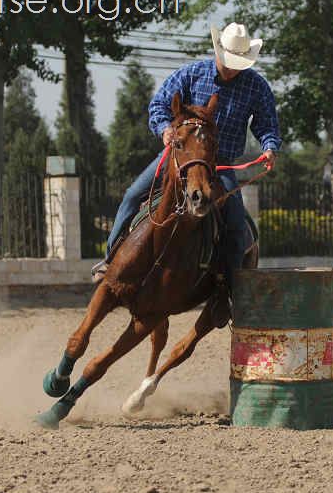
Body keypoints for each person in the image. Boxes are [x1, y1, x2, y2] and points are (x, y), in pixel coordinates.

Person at [91, 22, 282, 294]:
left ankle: (228, 289)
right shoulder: (192, 74)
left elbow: (267, 124)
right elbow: (159, 104)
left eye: (237, 63)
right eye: (228, 61)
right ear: (218, 52)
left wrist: (269, 146)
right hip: (178, 156)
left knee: (237, 223)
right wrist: (165, 128)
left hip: (221, 163)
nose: (231, 68)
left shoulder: (256, 87)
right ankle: (110, 263)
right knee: (133, 196)